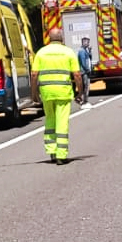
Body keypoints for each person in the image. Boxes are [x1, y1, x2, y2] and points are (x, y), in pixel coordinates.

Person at [32, 28, 82, 165]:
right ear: (62, 38)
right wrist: (80, 92)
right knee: (62, 122)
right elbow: (77, 75)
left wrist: (34, 94)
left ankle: (52, 151)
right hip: (63, 92)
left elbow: (34, 74)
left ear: (49, 38)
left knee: (50, 121)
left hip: (47, 92)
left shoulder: (41, 53)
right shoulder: (68, 52)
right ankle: (61, 155)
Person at [77, 36, 93, 109]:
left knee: (86, 86)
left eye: (88, 41)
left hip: (86, 71)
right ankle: (84, 101)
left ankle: (84, 100)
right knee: (86, 86)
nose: (87, 43)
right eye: (85, 41)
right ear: (82, 42)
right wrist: (87, 69)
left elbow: (89, 58)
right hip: (84, 72)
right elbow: (83, 62)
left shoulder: (85, 50)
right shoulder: (82, 51)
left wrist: (89, 51)